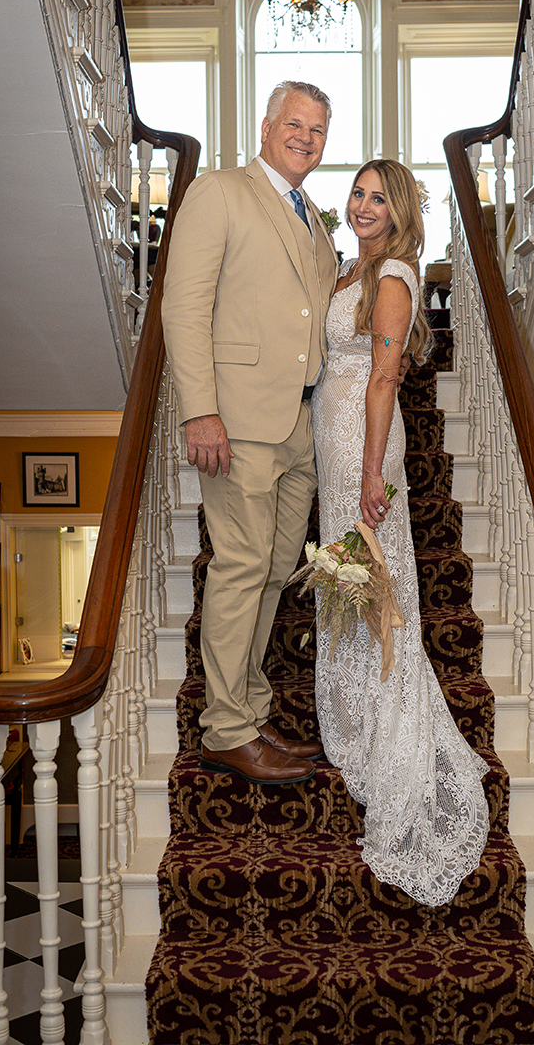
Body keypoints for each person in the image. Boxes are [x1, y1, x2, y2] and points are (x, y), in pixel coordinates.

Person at [311, 160, 490, 906]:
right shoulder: (354, 269)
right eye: (357, 192)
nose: (362, 205)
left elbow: (384, 379)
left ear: (402, 211)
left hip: (362, 443)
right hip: (334, 438)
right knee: (350, 587)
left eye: (378, 197)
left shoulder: (393, 278)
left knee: (375, 590)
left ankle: (387, 732)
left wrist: (371, 475)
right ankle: (355, 712)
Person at [161, 80, 339, 786]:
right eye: (294, 123)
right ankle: (223, 729)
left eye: (318, 130)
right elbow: (185, 304)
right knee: (240, 566)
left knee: (271, 571)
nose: (305, 137)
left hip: (301, 420)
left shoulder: (312, 216)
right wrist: (199, 408)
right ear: (265, 126)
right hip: (235, 419)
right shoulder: (218, 191)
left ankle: (249, 705)